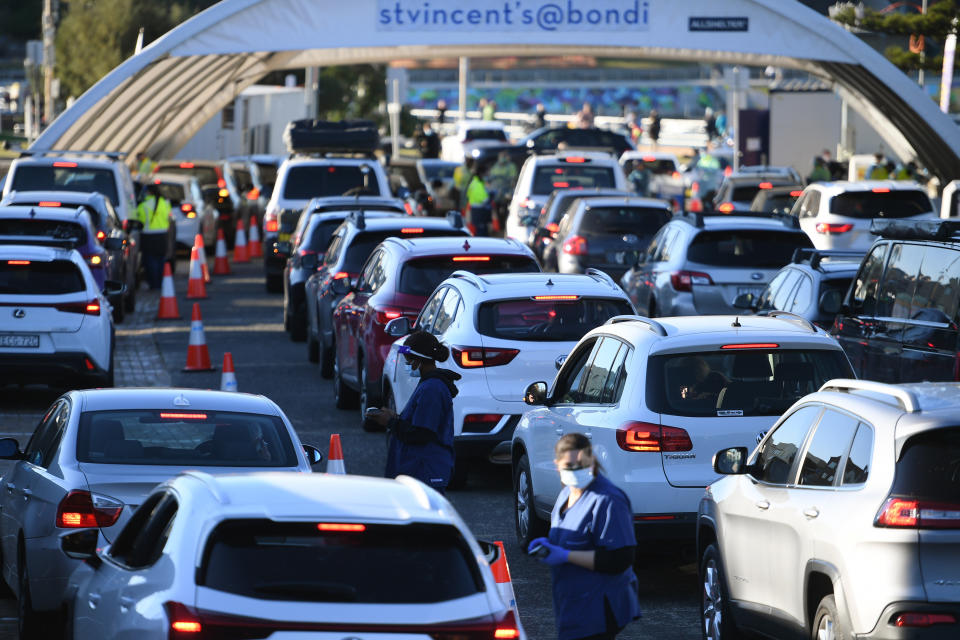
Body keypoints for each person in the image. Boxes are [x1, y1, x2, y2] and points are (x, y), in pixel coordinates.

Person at [528, 433, 641, 640]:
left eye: (582, 464)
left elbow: (620, 559)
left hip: (598, 609)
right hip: (572, 606)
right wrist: (548, 546)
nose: (577, 471)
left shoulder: (608, 500)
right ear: (557, 465)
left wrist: (565, 556)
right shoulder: (566, 493)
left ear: (591, 461)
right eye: (570, 466)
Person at [369, 331, 460, 494]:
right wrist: (395, 417)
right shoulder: (428, 384)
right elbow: (419, 421)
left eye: (409, 360)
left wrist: (389, 422)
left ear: (419, 361)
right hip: (420, 470)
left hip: (426, 472)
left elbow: (422, 433)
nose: (407, 364)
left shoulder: (432, 389)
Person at [135, 183, 173, 289]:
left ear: (149, 192)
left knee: (150, 261)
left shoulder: (143, 205)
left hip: (148, 236)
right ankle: (160, 283)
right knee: (161, 260)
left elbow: (140, 220)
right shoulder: (165, 203)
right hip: (162, 235)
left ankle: (153, 284)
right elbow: (168, 218)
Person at [466, 163, 493, 236]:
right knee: (481, 232)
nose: (489, 174)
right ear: (482, 173)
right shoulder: (478, 184)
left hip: (477, 210)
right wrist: (491, 194)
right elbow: (484, 199)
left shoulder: (476, 182)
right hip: (479, 211)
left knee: (481, 230)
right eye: (487, 172)